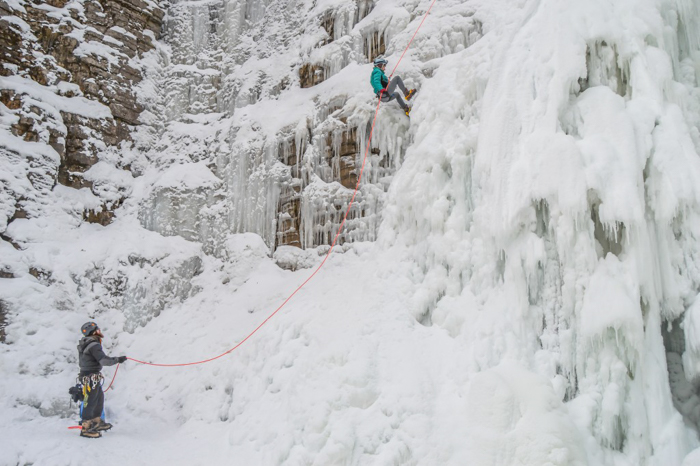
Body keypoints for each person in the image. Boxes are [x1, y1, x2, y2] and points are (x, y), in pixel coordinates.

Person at [76, 322, 127, 438]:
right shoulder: (93, 345)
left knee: (98, 398)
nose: (99, 332)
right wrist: (117, 359)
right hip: (90, 377)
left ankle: (96, 421)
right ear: (92, 332)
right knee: (90, 401)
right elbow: (103, 360)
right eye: (97, 330)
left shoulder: (87, 344)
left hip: (90, 376)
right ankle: (86, 428)